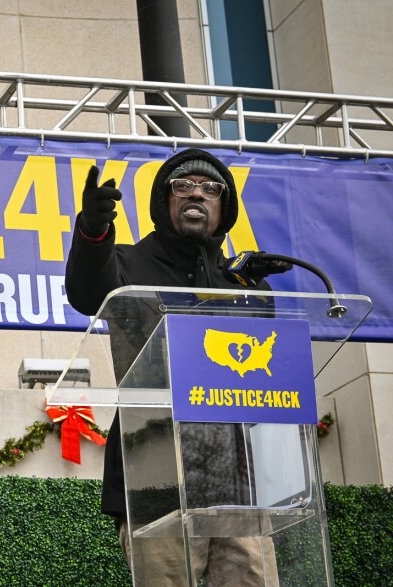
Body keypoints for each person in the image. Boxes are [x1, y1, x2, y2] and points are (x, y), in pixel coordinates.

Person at [65, 148, 277, 586]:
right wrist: (91, 232)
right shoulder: (129, 264)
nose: (195, 194)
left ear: (225, 207)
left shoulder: (248, 284)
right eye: (183, 186)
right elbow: (87, 293)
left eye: (209, 188)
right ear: (165, 202)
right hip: (156, 481)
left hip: (239, 485)